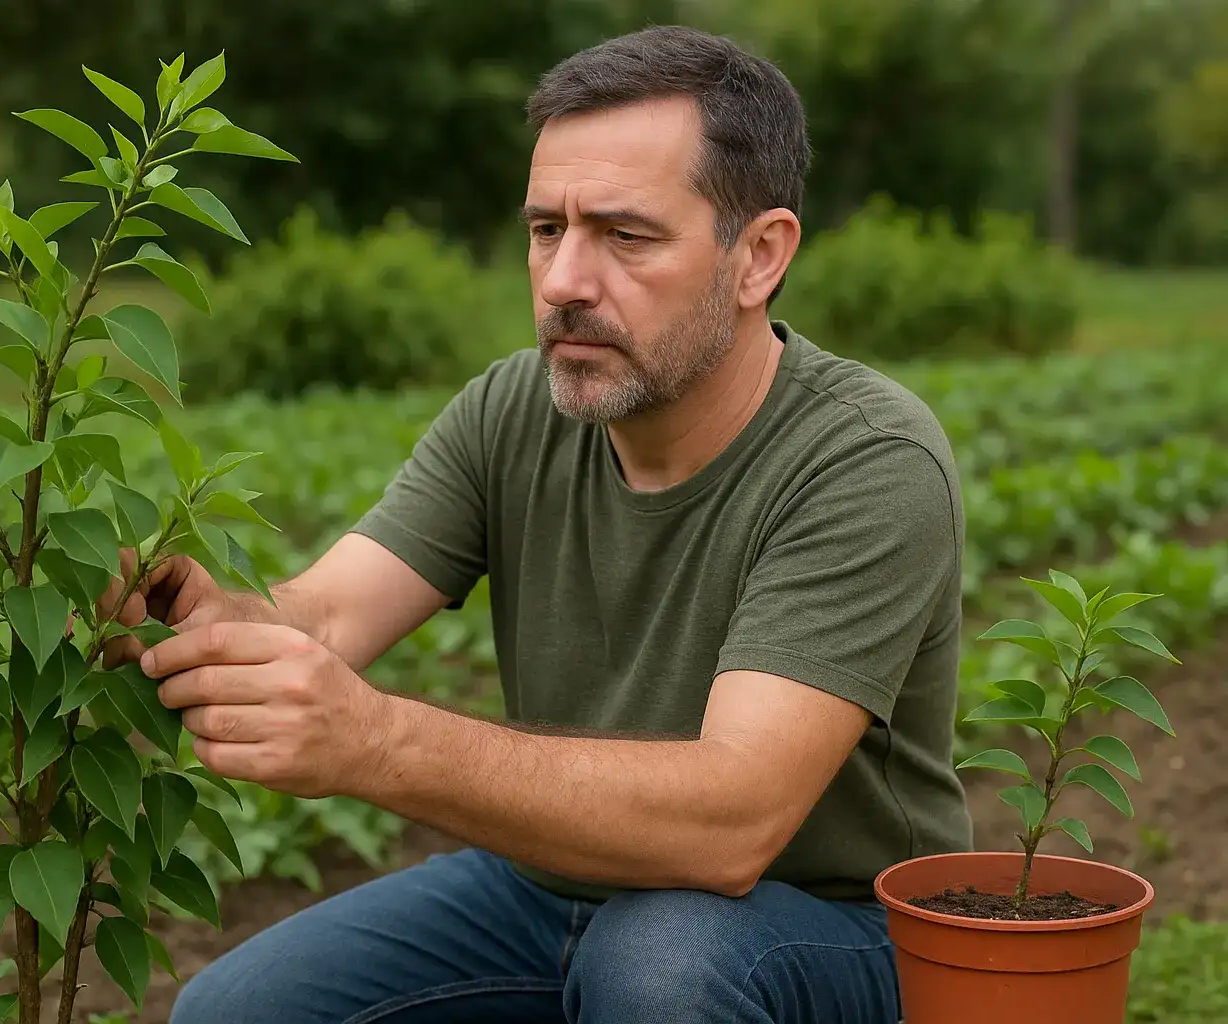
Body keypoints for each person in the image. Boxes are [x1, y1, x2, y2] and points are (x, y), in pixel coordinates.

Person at [103, 23, 972, 1024]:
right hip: (556, 884)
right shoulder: (515, 408)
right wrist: (210, 617)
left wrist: (378, 740)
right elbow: (328, 618)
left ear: (759, 257)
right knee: (234, 1013)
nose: (562, 281)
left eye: (625, 234)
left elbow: (733, 822)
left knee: (657, 968)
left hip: (830, 928)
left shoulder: (864, 458)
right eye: (546, 229)